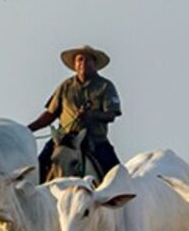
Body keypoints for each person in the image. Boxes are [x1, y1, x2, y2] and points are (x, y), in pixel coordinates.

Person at [28, 45, 121, 181]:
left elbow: (111, 115)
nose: (83, 63)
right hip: (64, 138)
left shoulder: (105, 86)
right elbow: (50, 114)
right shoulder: (65, 86)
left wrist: (92, 115)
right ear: (75, 64)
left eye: (88, 60)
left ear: (95, 64)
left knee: (116, 175)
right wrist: (27, 130)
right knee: (40, 165)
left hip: (95, 140)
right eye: (80, 60)